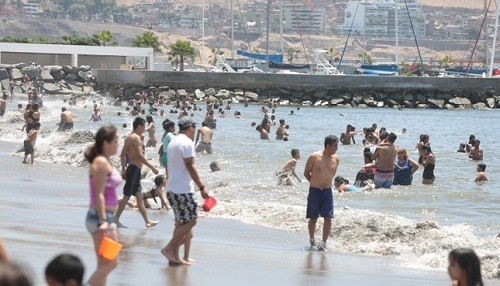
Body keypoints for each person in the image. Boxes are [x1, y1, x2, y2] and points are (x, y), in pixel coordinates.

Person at [161, 116, 209, 265]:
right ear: (190, 128)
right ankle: (169, 248)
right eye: (194, 128)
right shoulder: (187, 143)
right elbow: (191, 166)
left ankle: (174, 258)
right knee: (191, 220)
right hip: (182, 190)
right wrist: (201, 187)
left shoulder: (173, 141)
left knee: (181, 223)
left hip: (171, 189)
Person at [84, 125, 121, 286]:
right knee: (112, 263)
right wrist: (104, 221)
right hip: (101, 217)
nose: (117, 144)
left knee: (103, 264)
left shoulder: (105, 161)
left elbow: (105, 192)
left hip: (102, 216)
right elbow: (98, 194)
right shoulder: (100, 162)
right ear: (106, 143)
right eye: (115, 141)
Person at [114, 117, 159, 228]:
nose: (144, 129)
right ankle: (115, 219)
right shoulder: (137, 139)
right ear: (139, 126)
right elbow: (139, 155)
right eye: (143, 126)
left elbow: (122, 154)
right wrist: (152, 167)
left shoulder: (129, 137)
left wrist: (124, 169)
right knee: (127, 196)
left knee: (139, 198)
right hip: (134, 170)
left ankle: (147, 221)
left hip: (132, 169)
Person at [303, 135, 339, 251]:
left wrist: (325, 183)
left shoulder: (336, 159)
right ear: (328, 146)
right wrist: (314, 183)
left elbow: (332, 174)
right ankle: (312, 238)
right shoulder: (314, 157)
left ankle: (323, 242)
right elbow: (306, 173)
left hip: (327, 191)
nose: (336, 148)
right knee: (313, 217)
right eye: (335, 146)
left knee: (328, 217)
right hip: (315, 190)